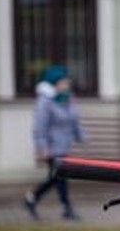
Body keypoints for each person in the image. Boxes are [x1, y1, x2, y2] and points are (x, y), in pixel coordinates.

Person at [25, 64, 85, 221]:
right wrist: (43, 148)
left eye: (67, 81)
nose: (67, 84)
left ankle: (32, 198)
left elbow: (74, 120)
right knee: (59, 177)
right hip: (51, 148)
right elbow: (39, 127)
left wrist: (80, 136)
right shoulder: (45, 102)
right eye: (64, 81)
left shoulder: (67, 99)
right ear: (55, 83)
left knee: (56, 177)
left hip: (63, 146)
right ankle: (66, 208)